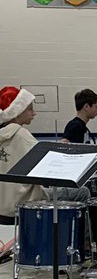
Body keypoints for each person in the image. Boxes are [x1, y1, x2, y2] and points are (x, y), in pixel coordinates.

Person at [0, 86, 90, 218]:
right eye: (30, 109)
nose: (34, 113)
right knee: (82, 192)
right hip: (25, 202)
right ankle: (84, 238)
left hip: (3, 204)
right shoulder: (21, 135)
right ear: (17, 112)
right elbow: (46, 164)